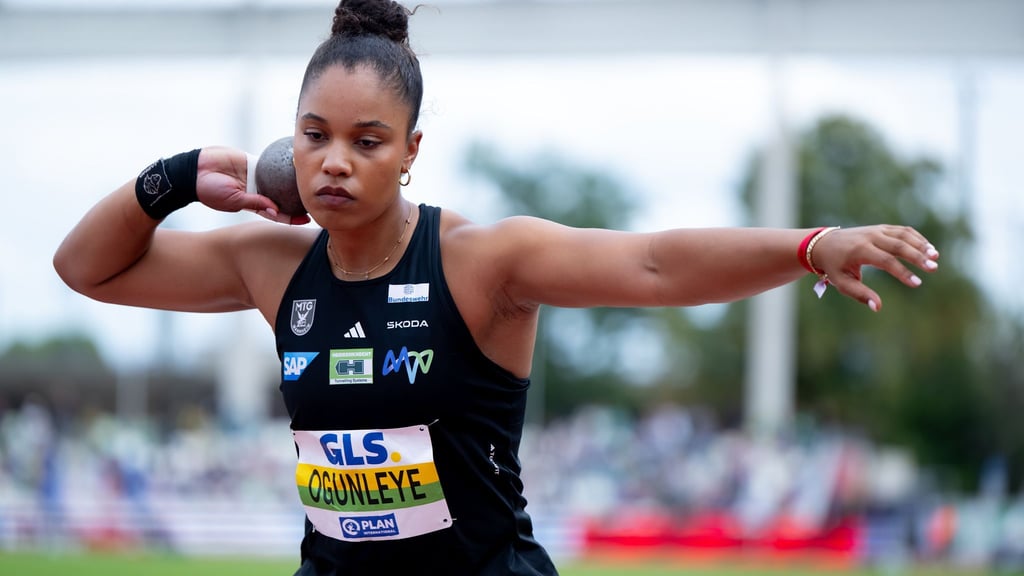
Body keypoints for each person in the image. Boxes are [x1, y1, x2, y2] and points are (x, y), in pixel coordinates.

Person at [53, 0, 941, 573]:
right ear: (290, 145)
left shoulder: (481, 261)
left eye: (368, 140)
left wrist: (809, 243)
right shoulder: (268, 264)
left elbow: (654, 264)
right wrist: (172, 178)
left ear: (410, 152)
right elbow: (84, 269)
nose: (334, 160)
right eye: (314, 135)